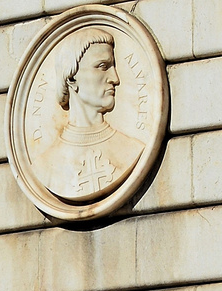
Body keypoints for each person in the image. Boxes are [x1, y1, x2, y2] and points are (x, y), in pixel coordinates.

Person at [33, 28, 144, 202]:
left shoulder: (133, 149)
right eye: (102, 66)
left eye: (113, 67)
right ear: (71, 78)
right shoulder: (44, 165)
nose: (115, 78)